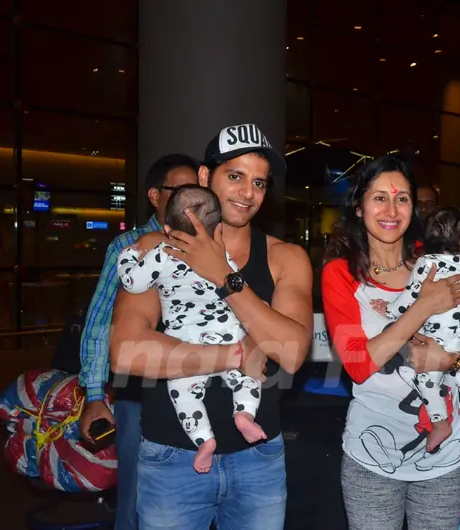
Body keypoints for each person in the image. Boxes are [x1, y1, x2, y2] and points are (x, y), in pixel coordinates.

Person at [108, 123, 312, 530]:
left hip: (259, 459)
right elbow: (127, 351)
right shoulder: (155, 248)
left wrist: (223, 275)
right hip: (171, 457)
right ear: (204, 177)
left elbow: (290, 352)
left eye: (259, 182)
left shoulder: (285, 257)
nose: (247, 192)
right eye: (234, 176)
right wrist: (235, 355)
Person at [321, 155, 460, 530]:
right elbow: (357, 363)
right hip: (372, 452)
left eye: (401, 199)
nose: (391, 209)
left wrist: (449, 360)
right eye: (378, 197)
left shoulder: (437, 260)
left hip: (445, 457)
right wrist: (424, 306)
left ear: (413, 207)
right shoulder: (341, 273)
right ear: (359, 204)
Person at [78, 154, 200, 530]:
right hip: (139, 391)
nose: (189, 199)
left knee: (198, 493)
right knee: (136, 497)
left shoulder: (207, 245)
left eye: (196, 190)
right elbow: (99, 323)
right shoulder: (128, 246)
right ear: (154, 195)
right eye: (179, 189)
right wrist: (95, 396)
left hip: (198, 387)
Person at [116, 185, 266, 475]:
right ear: (217, 226)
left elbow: (133, 282)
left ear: (167, 228)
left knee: (183, 392)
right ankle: (245, 413)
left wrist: (129, 256)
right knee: (248, 378)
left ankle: (204, 439)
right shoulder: (220, 255)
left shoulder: (162, 253)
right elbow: (236, 284)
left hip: (186, 342)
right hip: (227, 332)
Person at [369, 206, 460, 452]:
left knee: (424, 377)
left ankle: (440, 422)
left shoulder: (425, 263)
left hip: (438, 335)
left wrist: (389, 310)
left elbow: (410, 298)